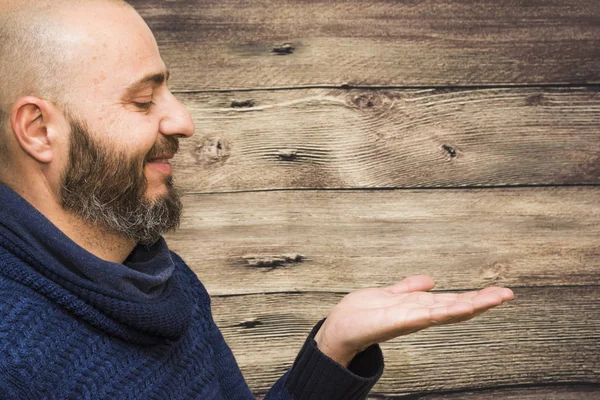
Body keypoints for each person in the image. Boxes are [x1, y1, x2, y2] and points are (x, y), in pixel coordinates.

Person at [0, 1, 515, 399]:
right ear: (40, 130)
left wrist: (332, 351)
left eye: (167, 93)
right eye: (142, 100)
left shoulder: (163, 277)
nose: (183, 122)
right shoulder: (12, 352)